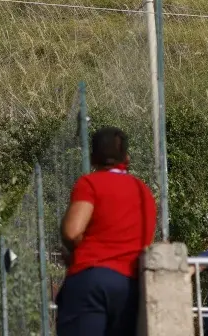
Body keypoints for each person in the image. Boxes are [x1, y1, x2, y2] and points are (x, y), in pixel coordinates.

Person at [57, 126, 157, 336]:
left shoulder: (89, 183)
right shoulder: (144, 192)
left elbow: (72, 231)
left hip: (91, 280)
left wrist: (76, 252)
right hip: (129, 286)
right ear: (126, 158)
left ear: (93, 158)